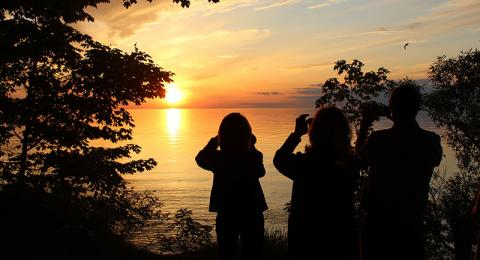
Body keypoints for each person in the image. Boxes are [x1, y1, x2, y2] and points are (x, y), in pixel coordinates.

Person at [356, 85, 443, 260]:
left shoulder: (379, 140)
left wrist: (365, 124)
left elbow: (360, 160)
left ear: (392, 107)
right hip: (411, 223)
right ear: (417, 108)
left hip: (378, 225)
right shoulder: (431, 141)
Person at [274, 107, 360, 260]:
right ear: (344, 133)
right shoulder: (350, 165)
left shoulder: (305, 165)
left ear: (314, 134)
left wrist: (297, 134)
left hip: (306, 241)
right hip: (341, 240)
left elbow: (279, 159)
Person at [195, 113, 267, 260]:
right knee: (253, 253)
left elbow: (200, 158)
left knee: (227, 253)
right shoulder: (253, 156)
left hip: (226, 211)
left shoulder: (218, 158)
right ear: (247, 134)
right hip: (252, 211)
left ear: (222, 136)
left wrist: (215, 141)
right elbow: (261, 171)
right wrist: (251, 145)